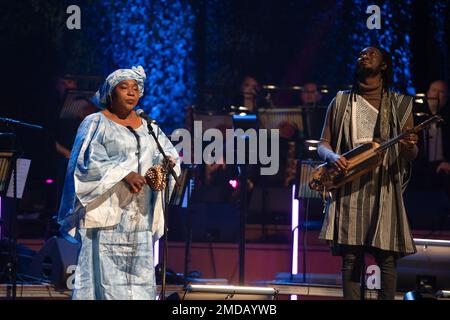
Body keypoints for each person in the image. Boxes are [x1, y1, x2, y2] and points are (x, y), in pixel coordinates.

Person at [57, 66, 180, 300]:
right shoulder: (96, 123)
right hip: (107, 215)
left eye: (135, 89)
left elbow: (167, 155)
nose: (131, 93)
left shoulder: (149, 127)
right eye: (124, 88)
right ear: (109, 93)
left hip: (139, 215)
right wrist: (125, 173)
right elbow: (86, 161)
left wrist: (160, 169)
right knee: (105, 279)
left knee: (139, 280)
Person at [317, 46, 418, 300]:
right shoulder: (340, 101)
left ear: (384, 65)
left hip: (383, 189)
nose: (363, 56)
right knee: (351, 259)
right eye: (361, 54)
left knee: (387, 258)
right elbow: (323, 143)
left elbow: (411, 155)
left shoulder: (400, 104)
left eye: (371, 54)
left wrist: (410, 147)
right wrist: (332, 156)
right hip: (349, 187)